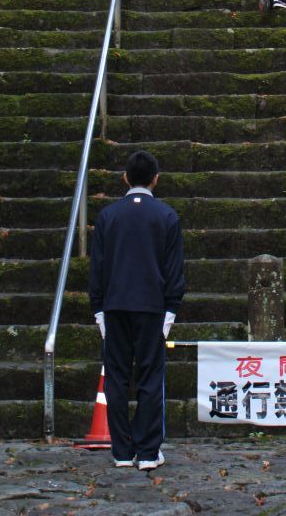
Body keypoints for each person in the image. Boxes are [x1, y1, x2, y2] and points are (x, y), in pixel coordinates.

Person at [89, 149, 186, 471]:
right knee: (149, 375)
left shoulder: (108, 216)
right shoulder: (166, 216)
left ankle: (121, 449)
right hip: (152, 306)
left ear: (125, 178)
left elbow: (98, 267)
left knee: (116, 377)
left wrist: (98, 309)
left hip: (115, 303)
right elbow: (173, 269)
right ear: (156, 179)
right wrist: (171, 310)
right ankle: (147, 450)